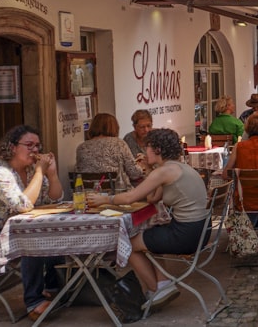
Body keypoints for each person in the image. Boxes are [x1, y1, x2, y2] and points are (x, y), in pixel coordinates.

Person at [87, 128, 210, 305]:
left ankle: (157, 289)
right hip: (199, 231)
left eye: (147, 147)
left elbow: (131, 197)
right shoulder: (174, 168)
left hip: (186, 234)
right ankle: (162, 283)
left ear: (157, 149)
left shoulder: (164, 172)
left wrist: (105, 199)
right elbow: (152, 198)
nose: (145, 151)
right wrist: (148, 169)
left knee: (127, 242)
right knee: (152, 230)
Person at [0, 126, 64, 320]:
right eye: (29, 145)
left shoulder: (30, 171)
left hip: (8, 230)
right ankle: (34, 301)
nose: (35, 150)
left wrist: (52, 174)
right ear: (12, 148)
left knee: (51, 231)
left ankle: (54, 287)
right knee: (29, 238)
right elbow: (23, 205)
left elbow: (54, 199)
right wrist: (40, 171)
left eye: (38, 146)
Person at [75, 112, 145, 189]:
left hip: (89, 193)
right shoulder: (119, 143)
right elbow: (134, 173)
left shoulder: (81, 147)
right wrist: (142, 166)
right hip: (117, 192)